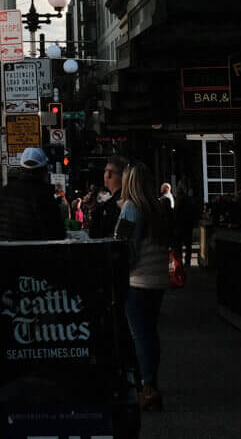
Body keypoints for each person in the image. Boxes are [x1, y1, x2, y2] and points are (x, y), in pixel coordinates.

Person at [116, 161, 172, 411]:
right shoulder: (158, 208)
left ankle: (147, 388)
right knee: (150, 334)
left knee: (140, 337)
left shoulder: (131, 208)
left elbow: (125, 248)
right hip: (157, 280)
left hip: (137, 280)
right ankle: (152, 384)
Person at [0, 148, 67, 242]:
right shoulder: (44, 194)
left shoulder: (3, 193)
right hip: (35, 253)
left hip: (6, 252)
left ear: (20, 169)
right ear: (44, 171)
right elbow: (55, 232)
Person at [88, 157, 125, 239]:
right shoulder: (123, 198)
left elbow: (97, 234)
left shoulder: (115, 203)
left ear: (109, 174)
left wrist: (95, 210)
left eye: (105, 171)